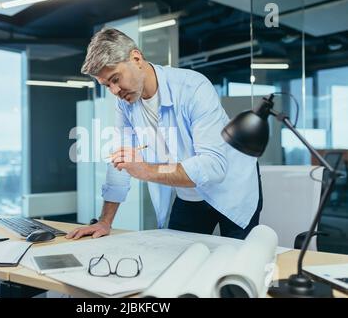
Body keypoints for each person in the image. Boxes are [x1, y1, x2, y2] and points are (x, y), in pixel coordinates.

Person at [66, 28, 262, 241]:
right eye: (107, 85)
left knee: (237, 265)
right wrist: (105, 221)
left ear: (136, 58)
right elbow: (121, 160)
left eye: (115, 79)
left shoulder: (193, 87)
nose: (114, 91)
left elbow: (212, 166)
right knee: (177, 259)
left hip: (232, 189)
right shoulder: (125, 104)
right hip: (188, 191)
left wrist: (146, 170)